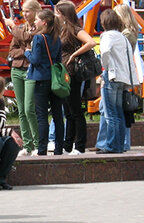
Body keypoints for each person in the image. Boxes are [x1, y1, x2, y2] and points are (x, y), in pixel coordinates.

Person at [54, 1, 96, 156]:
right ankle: (68, 144)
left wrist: (74, 54)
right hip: (64, 73)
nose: (55, 15)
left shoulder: (74, 29)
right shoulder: (62, 29)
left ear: (64, 14)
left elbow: (91, 42)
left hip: (72, 73)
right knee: (69, 111)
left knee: (75, 110)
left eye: (57, 13)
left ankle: (80, 145)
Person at [97, 9, 139, 154]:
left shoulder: (107, 36)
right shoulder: (122, 36)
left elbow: (106, 52)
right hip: (123, 78)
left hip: (112, 76)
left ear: (103, 23)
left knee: (110, 113)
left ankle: (111, 145)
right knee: (119, 113)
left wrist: (105, 68)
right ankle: (120, 145)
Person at [4, 0, 41, 156]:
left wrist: (13, 27)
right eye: (23, 11)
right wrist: (25, 50)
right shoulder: (21, 28)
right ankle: (27, 145)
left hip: (30, 70)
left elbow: (30, 37)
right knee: (21, 110)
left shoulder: (39, 26)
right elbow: (12, 51)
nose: (24, 14)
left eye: (27, 11)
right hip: (16, 70)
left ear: (35, 11)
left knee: (29, 108)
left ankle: (39, 144)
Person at [26, 9, 64, 156]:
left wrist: (27, 52)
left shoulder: (39, 38)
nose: (34, 22)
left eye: (36, 19)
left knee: (41, 116)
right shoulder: (57, 38)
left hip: (41, 79)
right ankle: (59, 148)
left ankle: (42, 149)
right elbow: (59, 60)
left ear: (44, 22)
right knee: (57, 115)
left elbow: (34, 60)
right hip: (55, 80)